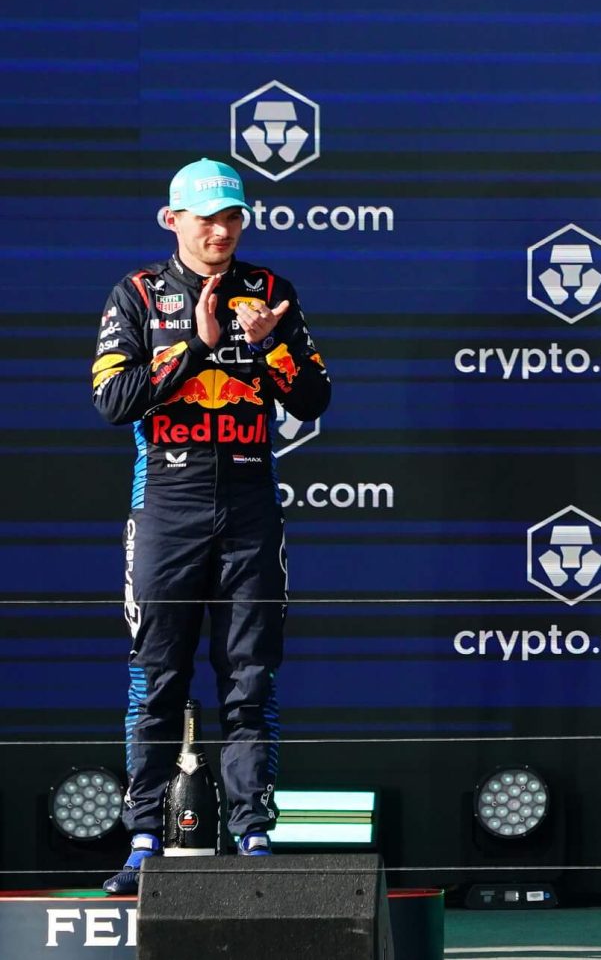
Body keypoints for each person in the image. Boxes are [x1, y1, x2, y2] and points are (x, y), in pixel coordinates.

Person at [91, 159, 332, 892]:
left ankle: (253, 835)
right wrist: (194, 345)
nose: (220, 230)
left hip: (252, 497)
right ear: (174, 221)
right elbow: (113, 398)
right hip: (168, 496)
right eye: (205, 218)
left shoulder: (271, 292)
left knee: (250, 676)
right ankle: (143, 838)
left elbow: (315, 397)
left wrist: (271, 344)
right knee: (157, 673)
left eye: (231, 216)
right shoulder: (136, 294)